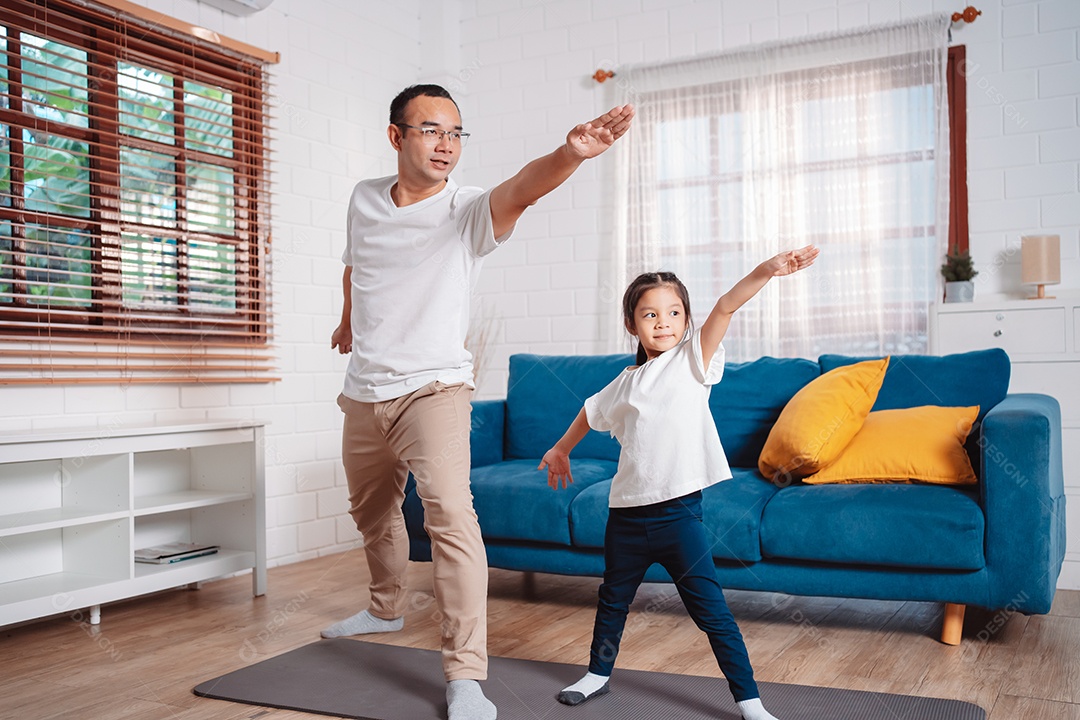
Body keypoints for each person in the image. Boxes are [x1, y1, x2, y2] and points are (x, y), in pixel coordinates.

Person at [327, 83, 634, 720]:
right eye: (433, 130)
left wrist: (571, 153)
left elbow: (521, 187)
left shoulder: (465, 210)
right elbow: (356, 264)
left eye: (457, 134)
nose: (447, 145)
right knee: (372, 510)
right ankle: (385, 608)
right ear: (397, 137)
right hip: (363, 389)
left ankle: (466, 675)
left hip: (435, 387)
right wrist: (348, 319)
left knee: (451, 519)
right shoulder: (363, 198)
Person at [539, 246, 820, 720]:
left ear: (687, 321)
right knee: (613, 599)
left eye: (673, 313)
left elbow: (727, 305)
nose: (663, 322)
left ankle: (750, 701)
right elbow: (588, 412)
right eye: (650, 314)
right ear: (633, 324)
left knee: (710, 612)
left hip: (677, 515)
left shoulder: (693, 360)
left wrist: (767, 271)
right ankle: (597, 675)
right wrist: (561, 449)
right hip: (625, 515)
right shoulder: (624, 381)